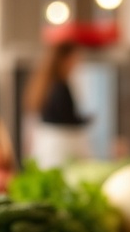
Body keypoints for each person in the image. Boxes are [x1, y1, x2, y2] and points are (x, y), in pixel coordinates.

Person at [23, 40, 90, 168]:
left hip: (47, 146)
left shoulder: (46, 84)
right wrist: (84, 120)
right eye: (75, 58)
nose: (77, 63)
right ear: (65, 59)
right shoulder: (60, 87)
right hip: (60, 149)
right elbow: (65, 119)